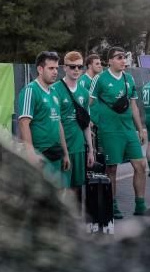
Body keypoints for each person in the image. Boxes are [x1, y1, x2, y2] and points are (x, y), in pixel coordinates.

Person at [89, 46, 150, 217]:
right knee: (112, 169)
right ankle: (113, 205)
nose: (123, 60)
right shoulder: (100, 79)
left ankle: (140, 206)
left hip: (128, 130)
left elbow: (133, 106)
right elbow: (90, 103)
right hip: (109, 131)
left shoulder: (129, 79)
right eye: (118, 57)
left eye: (124, 57)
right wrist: (97, 123)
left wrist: (141, 129)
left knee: (140, 165)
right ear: (109, 61)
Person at [17, 51, 71, 187]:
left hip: (55, 154)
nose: (55, 72)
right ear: (40, 69)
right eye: (51, 68)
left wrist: (65, 154)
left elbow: (58, 123)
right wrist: (30, 154)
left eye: (56, 68)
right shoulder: (30, 90)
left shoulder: (54, 92)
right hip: (40, 156)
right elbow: (24, 123)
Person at [53, 51, 96, 209]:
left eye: (79, 66)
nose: (76, 70)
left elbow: (85, 123)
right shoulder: (55, 89)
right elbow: (54, 122)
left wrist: (90, 150)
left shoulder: (84, 93)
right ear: (65, 68)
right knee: (59, 187)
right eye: (72, 67)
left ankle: (74, 223)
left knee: (76, 188)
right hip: (60, 148)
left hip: (78, 148)